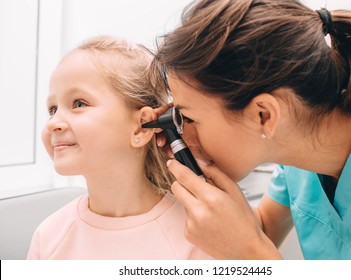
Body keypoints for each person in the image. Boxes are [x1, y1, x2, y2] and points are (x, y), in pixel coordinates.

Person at [152, 0, 351, 259]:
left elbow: (253, 245)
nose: (183, 135)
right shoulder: (299, 149)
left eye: (188, 118)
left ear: (264, 115)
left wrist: (253, 255)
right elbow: (259, 229)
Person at [27, 35, 212, 260]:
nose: (54, 123)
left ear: (140, 128)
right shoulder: (48, 236)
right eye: (53, 109)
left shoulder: (197, 236)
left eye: (79, 104)